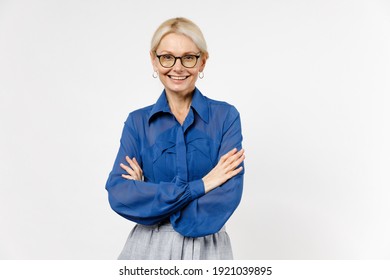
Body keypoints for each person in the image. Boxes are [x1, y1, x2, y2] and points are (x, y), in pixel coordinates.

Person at [105, 17, 245, 260]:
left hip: (207, 249)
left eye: (188, 57)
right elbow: (120, 194)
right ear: (154, 60)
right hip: (147, 250)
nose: (177, 68)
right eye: (167, 57)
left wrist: (150, 198)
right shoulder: (138, 123)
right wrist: (202, 185)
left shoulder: (226, 117)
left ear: (202, 61)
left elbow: (227, 196)